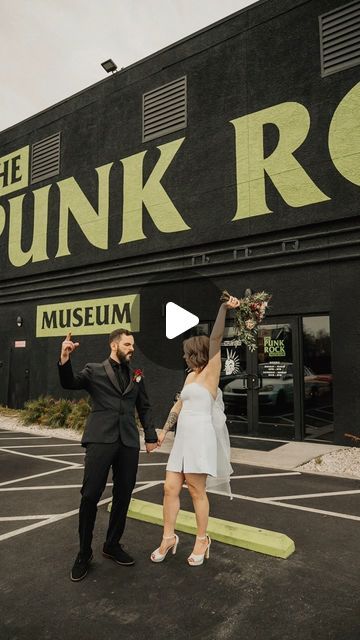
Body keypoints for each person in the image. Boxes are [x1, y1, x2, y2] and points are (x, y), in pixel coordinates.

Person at [58, 328, 158, 582]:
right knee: (90, 495)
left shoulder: (136, 374)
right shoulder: (94, 370)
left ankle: (112, 545)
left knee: (123, 494)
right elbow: (69, 383)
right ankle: (83, 552)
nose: (132, 348)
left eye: (132, 344)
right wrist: (65, 359)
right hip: (100, 440)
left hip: (127, 442)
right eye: (127, 344)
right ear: (114, 346)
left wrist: (149, 435)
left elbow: (143, 406)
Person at [151, 295, 239, 566]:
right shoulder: (190, 376)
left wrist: (223, 308)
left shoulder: (212, 371)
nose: (184, 357)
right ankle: (168, 537)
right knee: (169, 488)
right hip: (182, 439)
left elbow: (215, 339)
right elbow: (178, 405)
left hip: (200, 439)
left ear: (196, 353)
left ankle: (202, 539)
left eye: (186, 353)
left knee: (196, 491)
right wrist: (164, 431)